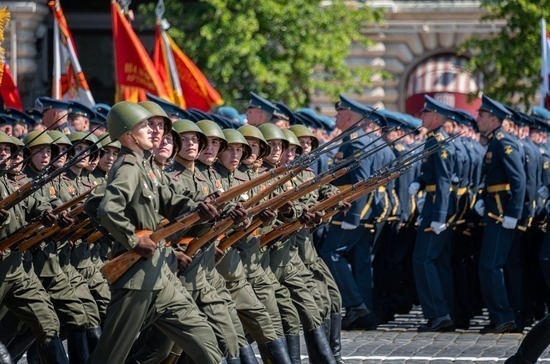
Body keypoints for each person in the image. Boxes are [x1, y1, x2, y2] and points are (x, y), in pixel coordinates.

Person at [88, 101, 224, 364]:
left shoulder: (144, 167)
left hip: (162, 277)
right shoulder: (128, 166)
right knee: (110, 356)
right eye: (144, 126)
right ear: (128, 135)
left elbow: (170, 201)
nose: (153, 131)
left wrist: (200, 209)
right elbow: (105, 209)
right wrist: (132, 240)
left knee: (205, 341)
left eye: (152, 126)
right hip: (136, 279)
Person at [474, 95, 526, 334]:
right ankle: (501, 316)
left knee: (490, 265)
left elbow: (519, 180)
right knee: (492, 265)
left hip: (502, 215)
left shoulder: (504, 142)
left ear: (494, 119)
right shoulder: (494, 142)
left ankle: (503, 316)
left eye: (482, 115)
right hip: (495, 212)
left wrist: (513, 213)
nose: (478, 118)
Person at [409, 95, 456, 332]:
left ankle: (438, 314)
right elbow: (431, 174)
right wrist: (419, 181)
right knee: (434, 261)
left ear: (436, 117)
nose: (422, 116)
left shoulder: (439, 141)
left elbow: (444, 181)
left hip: (437, 209)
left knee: (423, 260)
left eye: (426, 113)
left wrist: (439, 217)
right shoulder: (432, 140)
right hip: (431, 206)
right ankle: (442, 313)